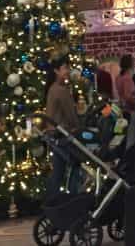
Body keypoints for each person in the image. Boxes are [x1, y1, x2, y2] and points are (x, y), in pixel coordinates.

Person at [44, 58, 81, 201]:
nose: (68, 71)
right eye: (65, 68)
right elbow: (71, 115)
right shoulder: (61, 90)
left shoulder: (52, 89)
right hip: (63, 134)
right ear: (56, 71)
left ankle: (52, 201)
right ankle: (73, 199)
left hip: (54, 135)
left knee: (58, 172)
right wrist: (78, 128)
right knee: (75, 166)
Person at [116, 55, 135, 147]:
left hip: (121, 109)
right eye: (133, 61)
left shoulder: (119, 77)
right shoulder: (127, 78)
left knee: (122, 135)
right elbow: (127, 95)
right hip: (130, 110)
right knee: (131, 135)